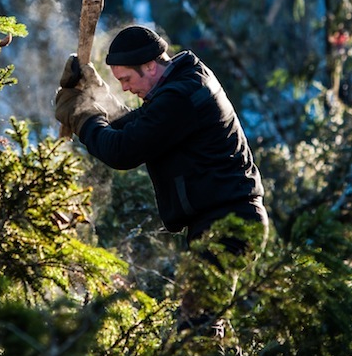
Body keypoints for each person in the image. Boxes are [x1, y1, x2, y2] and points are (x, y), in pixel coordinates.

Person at [54, 25, 269, 331]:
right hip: (224, 220)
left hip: (228, 222)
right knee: (203, 323)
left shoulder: (182, 96)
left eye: (126, 79)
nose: (125, 88)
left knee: (197, 327)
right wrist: (95, 93)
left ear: (150, 66)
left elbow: (123, 150)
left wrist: (82, 117)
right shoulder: (182, 83)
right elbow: (137, 125)